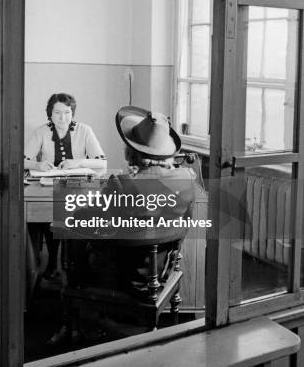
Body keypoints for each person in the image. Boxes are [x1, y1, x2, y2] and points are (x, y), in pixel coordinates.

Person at [50, 105, 199, 346]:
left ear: (132, 152)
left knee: (72, 241)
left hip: (126, 275)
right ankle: (88, 322)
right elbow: (185, 224)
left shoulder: (121, 182)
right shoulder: (187, 179)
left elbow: (81, 219)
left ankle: (80, 324)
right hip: (162, 268)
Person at [25, 92, 106, 279]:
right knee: (46, 217)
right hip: (47, 187)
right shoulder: (41, 131)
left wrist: (78, 162)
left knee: (76, 216)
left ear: (73, 113)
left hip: (78, 188)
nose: (63, 118)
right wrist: (37, 164)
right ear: (50, 114)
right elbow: (22, 160)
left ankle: (73, 266)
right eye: (58, 113)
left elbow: (102, 163)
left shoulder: (85, 130)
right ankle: (52, 261)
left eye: (68, 112)